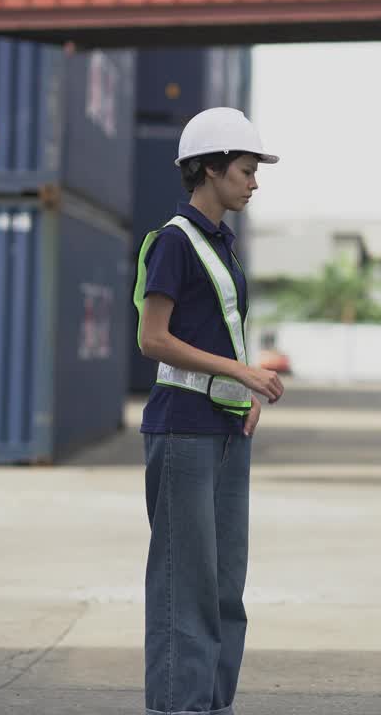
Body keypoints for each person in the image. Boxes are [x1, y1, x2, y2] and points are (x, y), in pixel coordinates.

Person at [132, 106, 284, 715]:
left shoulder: (222, 244)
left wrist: (244, 393)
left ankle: (212, 703)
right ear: (211, 169)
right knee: (183, 586)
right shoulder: (174, 241)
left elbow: (220, 331)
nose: (253, 181)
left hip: (223, 429)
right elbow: (153, 338)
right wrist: (240, 372)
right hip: (182, 431)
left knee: (225, 588)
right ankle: (178, 706)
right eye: (246, 170)